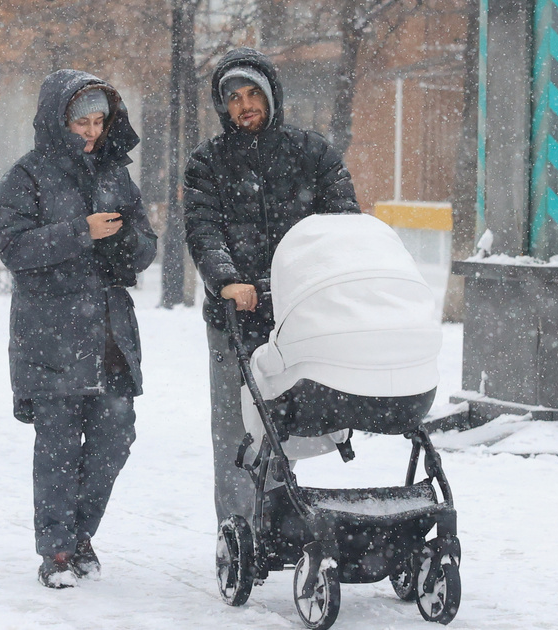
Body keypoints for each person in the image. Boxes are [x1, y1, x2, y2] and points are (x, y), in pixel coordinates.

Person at [0, 70, 157, 589]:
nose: (90, 131)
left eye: (97, 121)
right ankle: (58, 549)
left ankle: (81, 532)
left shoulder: (116, 174)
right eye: (80, 121)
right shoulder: (27, 176)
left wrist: (129, 240)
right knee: (58, 446)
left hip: (108, 332)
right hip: (50, 333)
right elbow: (14, 249)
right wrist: (79, 232)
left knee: (115, 438)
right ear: (57, 120)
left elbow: (147, 246)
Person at [183, 48, 360, 526]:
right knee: (236, 429)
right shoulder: (208, 163)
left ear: (271, 95)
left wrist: (310, 278)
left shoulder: (312, 154)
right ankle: (240, 530)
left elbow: (343, 223)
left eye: (253, 93)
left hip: (297, 314)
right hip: (235, 317)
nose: (244, 105)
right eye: (234, 98)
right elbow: (204, 232)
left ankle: (282, 522)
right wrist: (229, 282)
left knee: (290, 423)